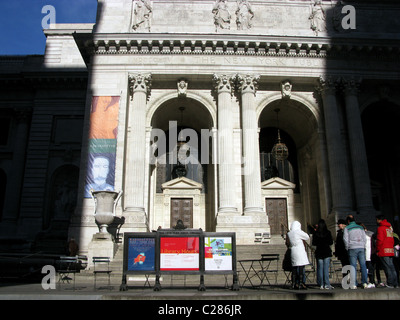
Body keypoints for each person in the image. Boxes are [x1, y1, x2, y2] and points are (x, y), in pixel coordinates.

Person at [343, 215, 369, 289]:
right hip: (361, 247)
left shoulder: (347, 228)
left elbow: (345, 239)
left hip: (352, 247)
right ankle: (364, 282)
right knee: (363, 265)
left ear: (348, 221)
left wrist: (347, 247)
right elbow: (364, 238)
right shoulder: (360, 227)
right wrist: (363, 245)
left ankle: (354, 283)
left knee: (353, 266)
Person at [376, 214, 398, 288]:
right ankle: (396, 283)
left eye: (377, 219)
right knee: (392, 267)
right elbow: (392, 239)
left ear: (379, 220)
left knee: (387, 267)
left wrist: (377, 249)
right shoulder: (389, 228)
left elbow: (379, 240)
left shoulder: (380, 228)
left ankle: (390, 283)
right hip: (390, 249)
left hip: (383, 249)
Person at [287, 221, 310, 290]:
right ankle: (300, 283)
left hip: (293, 251)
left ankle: (294, 283)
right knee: (301, 267)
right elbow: (307, 237)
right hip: (299, 251)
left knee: (294, 268)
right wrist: (300, 230)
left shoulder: (289, 233)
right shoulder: (298, 232)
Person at [312, 219, 334, 289]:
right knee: (326, 268)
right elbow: (331, 242)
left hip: (319, 251)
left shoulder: (315, 233)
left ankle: (321, 284)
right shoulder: (328, 232)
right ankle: (327, 283)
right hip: (326, 251)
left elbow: (314, 243)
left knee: (320, 268)